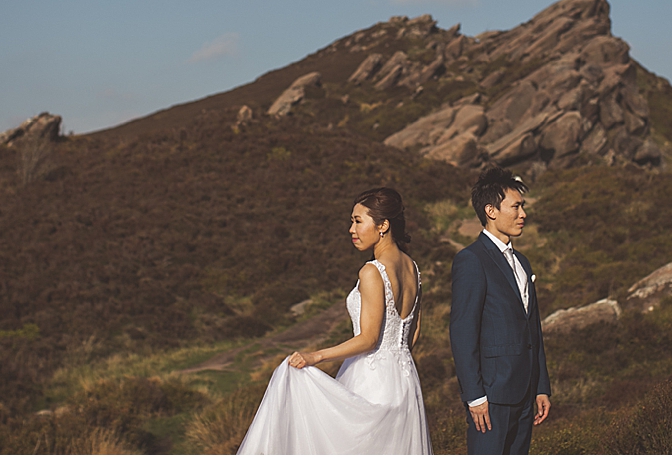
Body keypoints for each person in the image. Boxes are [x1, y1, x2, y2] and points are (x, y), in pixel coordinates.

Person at [235, 187, 432, 454]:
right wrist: (395, 360)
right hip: (405, 382)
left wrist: (315, 357)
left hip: (371, 380)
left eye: (358, 221)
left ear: (383, 225)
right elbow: (413, 334)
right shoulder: (413, 268)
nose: (351, 229)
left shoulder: (372, 271)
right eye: (352, 221)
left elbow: (369, 339)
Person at [450, 166, 551, 455]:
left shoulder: (524, 262)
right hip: (491, 397)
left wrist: (541, 385)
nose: (523, 214)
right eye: (516, 206)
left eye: (523, 206)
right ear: (491, 210)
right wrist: (475, 395)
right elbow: (462, 332)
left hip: (525, 391)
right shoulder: (471, 260)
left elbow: (534, 329)